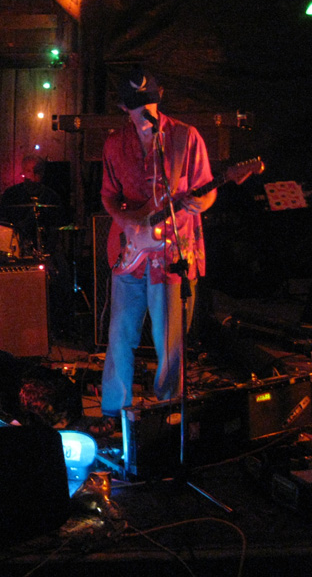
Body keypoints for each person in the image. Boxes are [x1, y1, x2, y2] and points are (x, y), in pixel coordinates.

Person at [96, 65, 217, 434]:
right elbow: (108, 196)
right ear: (124, 108)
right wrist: (128, 222)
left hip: (172, 253)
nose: (145, 112)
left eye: (150, 104)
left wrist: (201, 202)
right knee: (120, 334)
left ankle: (168, 413)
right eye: (137, 106)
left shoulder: (185, 137)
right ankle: (114, 412)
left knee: (170, 340)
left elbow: (207, 188)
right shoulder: (115, 143)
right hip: (130, 253)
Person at [0, 154, 65, 256]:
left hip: (46, 248)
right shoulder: (11, 195)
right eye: (29, 171)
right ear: (23, 172)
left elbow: (56, 228)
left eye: (37, 171)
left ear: (42, 173)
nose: (33, 176)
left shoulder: (51, 197)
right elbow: (3, 222)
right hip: (14, 247)